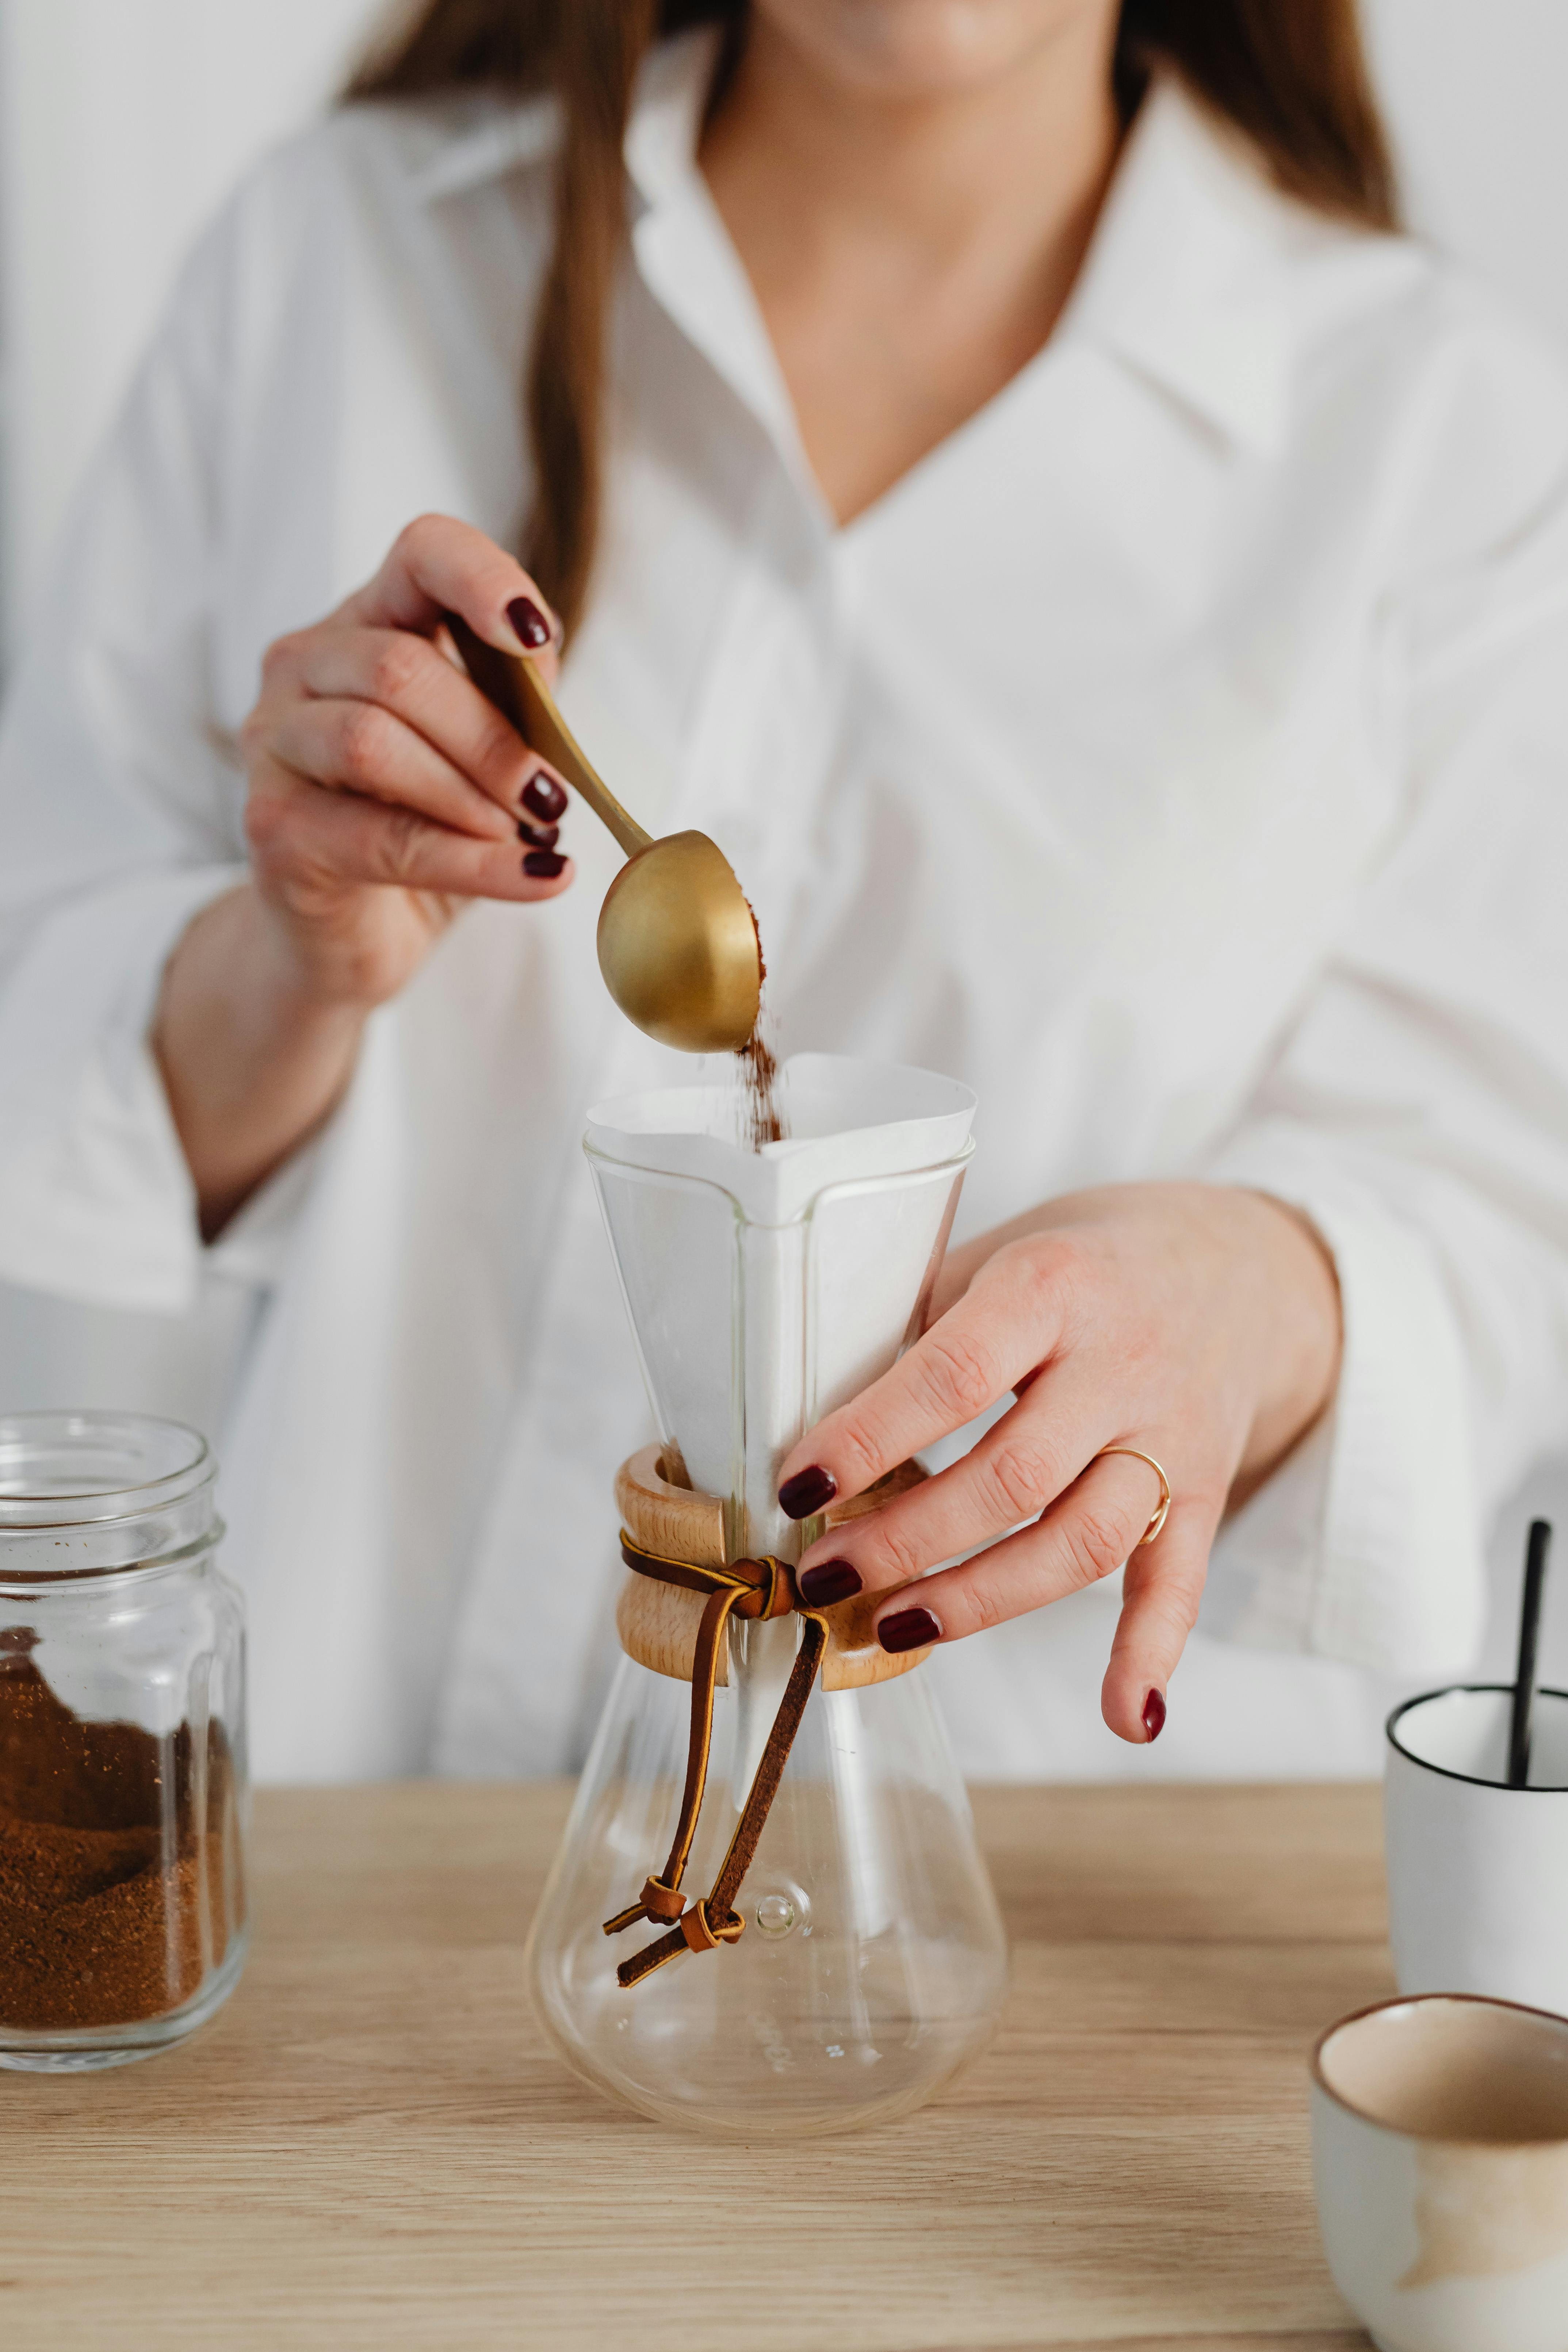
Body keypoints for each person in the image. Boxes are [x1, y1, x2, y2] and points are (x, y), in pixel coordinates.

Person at [2, 0, 1565, 1782]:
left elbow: (1503, 1227)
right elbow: (46, 1066)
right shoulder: (338, 261)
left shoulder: (1450, 445)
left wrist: (1257, 1289)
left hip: (1038, 1894)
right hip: (328, 1863)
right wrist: (288, 964)